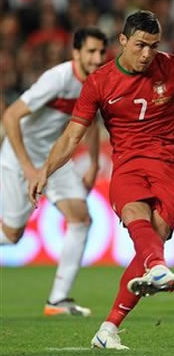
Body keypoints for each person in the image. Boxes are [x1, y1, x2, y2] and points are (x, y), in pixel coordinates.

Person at [28, 10, 174, 350]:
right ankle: (157, 267)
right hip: (127, 165)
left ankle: (108, 329)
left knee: (153, 236)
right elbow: (71, 138)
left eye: (153, 46)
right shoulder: (99, 81)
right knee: (137, 220)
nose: (146, 54)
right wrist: (43, 171)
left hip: (170, 166)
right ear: (122, 41)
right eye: (140, 45)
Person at [0, 26, 107, 317]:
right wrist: (27, 167)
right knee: (11, 236)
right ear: (76, 53)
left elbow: (93, 120)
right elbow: (10, 116)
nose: (97, 58)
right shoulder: (57, 79)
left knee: (81, 219)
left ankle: (57, 300)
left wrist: (95, 163)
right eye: (91, 51)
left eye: (101, 52)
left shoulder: (98, 81)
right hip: (20, 157)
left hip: (54, 158)